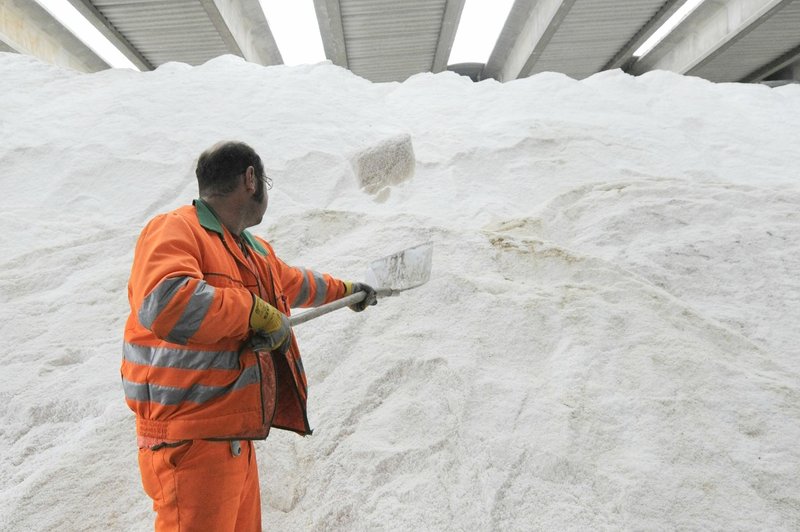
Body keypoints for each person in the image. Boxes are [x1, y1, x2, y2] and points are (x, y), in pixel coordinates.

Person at [121, 140, 377, 531]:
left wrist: (348, 290)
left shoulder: (249, 250)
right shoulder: (176, 229)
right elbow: (166, 302)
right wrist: (254, 311)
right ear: (251, 179)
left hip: (230, 438)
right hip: (188, 444)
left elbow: (294, 283)